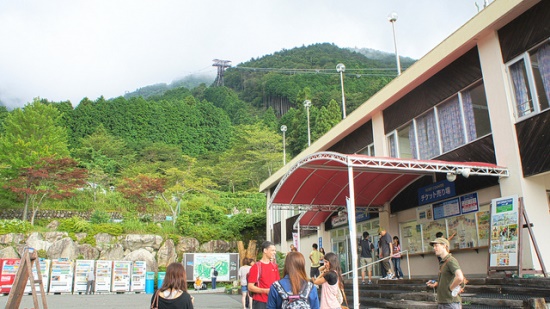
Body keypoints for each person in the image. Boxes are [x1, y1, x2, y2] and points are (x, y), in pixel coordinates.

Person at [426, 237, 465, 309]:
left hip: (450, 303)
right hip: (444, 302)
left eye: (436, 245)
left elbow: (460, 277)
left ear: (444, 246)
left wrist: (450, 288)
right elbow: (447, 279)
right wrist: (436, 284)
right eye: (434, 246)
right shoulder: (443, 262)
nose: (434, 248)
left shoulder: (451, 261)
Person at [247, 241, 281, 309]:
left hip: (274, 301)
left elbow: (278, 284)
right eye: (272, 250)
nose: (275, 252)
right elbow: (250, 287)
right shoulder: (256, 267)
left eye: (275, 250)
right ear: (265, 250)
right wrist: (266, 291)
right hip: (260, 302)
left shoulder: (274, 266)